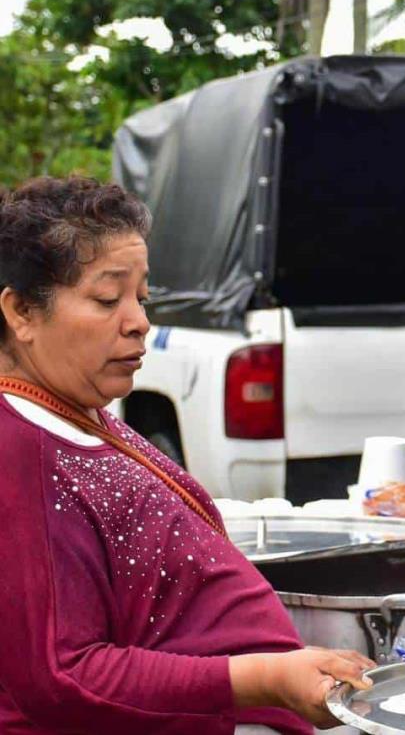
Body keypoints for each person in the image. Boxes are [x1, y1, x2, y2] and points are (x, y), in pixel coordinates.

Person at [0, 176, 375, 734]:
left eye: (142, 298)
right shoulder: (18, 451)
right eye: (108, 299)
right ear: (22, 312)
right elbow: (64, 675)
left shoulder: (77, 411)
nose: (139, 321)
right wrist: (267, 679)